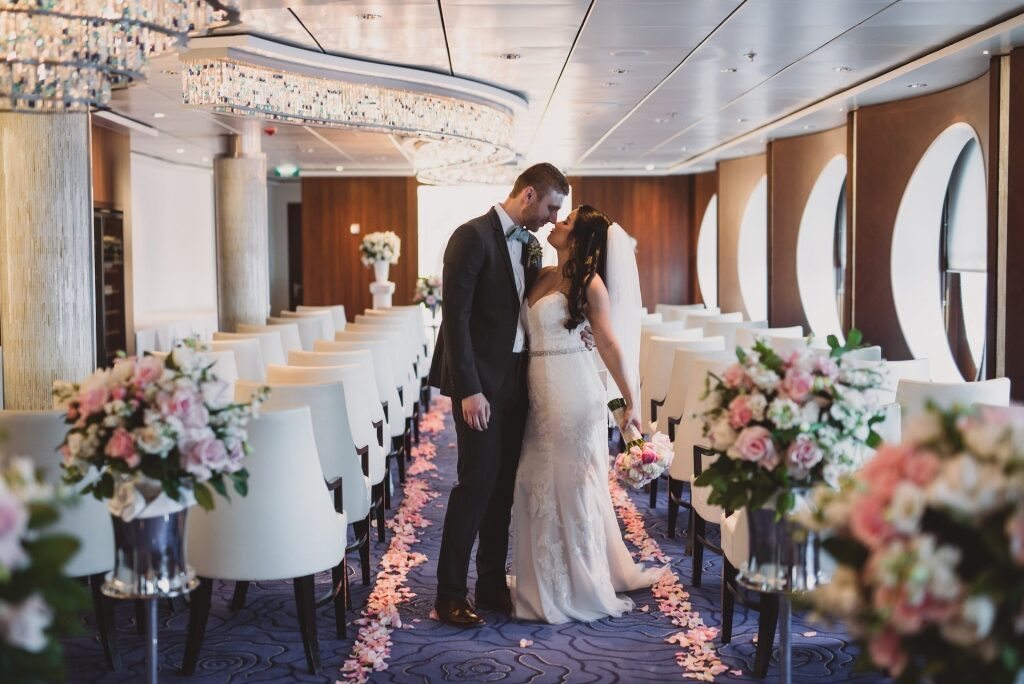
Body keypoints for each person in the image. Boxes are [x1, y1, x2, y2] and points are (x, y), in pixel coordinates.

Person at [429, 163, 576, 627]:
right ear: (529, 195)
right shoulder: (470, 237)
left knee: (503, 490)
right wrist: (469, 389)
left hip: (520, 379)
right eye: (552, 207)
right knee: (476, 484)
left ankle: (490, 584)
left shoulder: (532, 247)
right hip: (480, 385)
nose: (554, 218)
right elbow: (454, 318)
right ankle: (449, 593)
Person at [510, 204, 663, 623]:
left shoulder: (590, 284)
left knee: (570, 484)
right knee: (533, 481)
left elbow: (610, 344)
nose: (557, 223)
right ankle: (541, 579)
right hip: (537, 393)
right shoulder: (541, 275)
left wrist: (629, 398)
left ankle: (578, 582)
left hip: (574, 394)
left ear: (578, 238)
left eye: (567, 221)